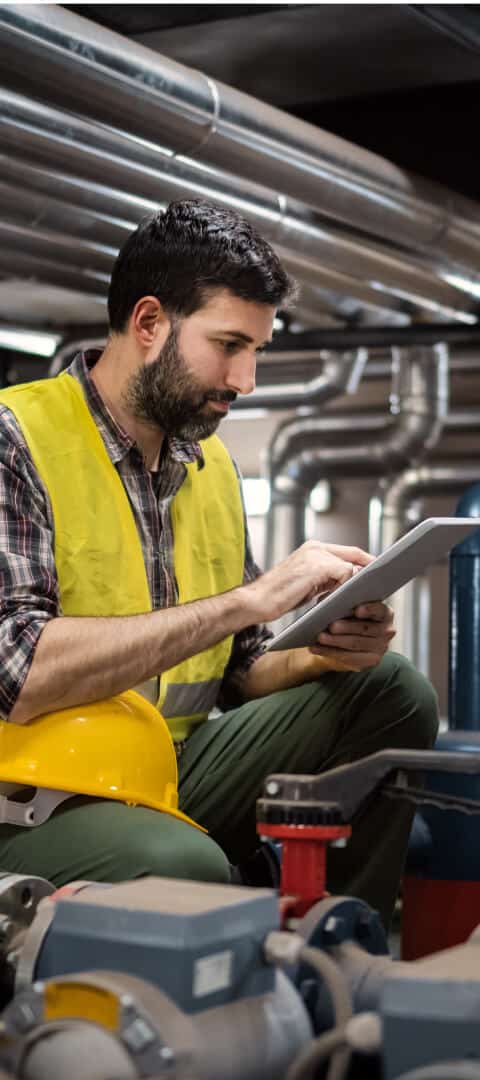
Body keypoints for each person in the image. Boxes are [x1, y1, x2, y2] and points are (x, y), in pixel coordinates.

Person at [0, 200, 438, 928]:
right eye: (230, 344)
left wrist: (324, 653)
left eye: (258, 350)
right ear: (148, 325)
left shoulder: (211, 468)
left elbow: (240, 669)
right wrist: (251, 600)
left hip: (168, 767)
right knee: (186, 868)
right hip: (36, 794)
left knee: (390, 688)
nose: (248, 378)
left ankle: (338, 945)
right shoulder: (17, 439)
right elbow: (17, 673)